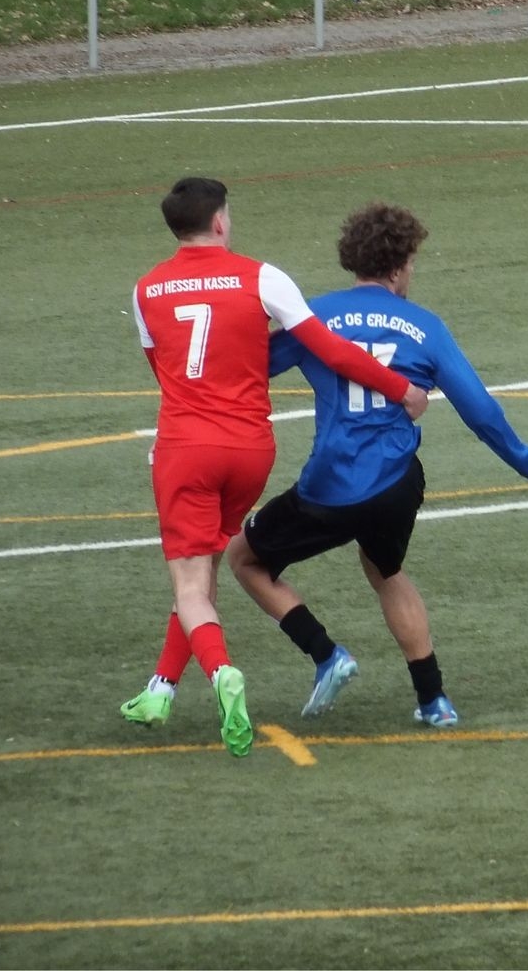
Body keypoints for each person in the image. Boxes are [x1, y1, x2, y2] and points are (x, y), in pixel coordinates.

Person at [122, 178, 431, 757]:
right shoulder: (263, 277)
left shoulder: (145, 290)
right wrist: (400, 388)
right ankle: (160, 689)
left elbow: (164, 372)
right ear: (219, 222)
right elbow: (330, 348)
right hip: (249, 451)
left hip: (187, 447)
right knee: (207, 568)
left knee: (190, 581)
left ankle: (220, 673)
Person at [224, 202, 528, 729]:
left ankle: (325, 653)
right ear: (400, 265)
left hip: (329, 487)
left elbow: (250, 368)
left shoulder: (315, 317)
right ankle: (434, 700)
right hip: (396, 485)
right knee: (386, 570)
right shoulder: (425, 327)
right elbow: (480, 412)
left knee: (245, 558)